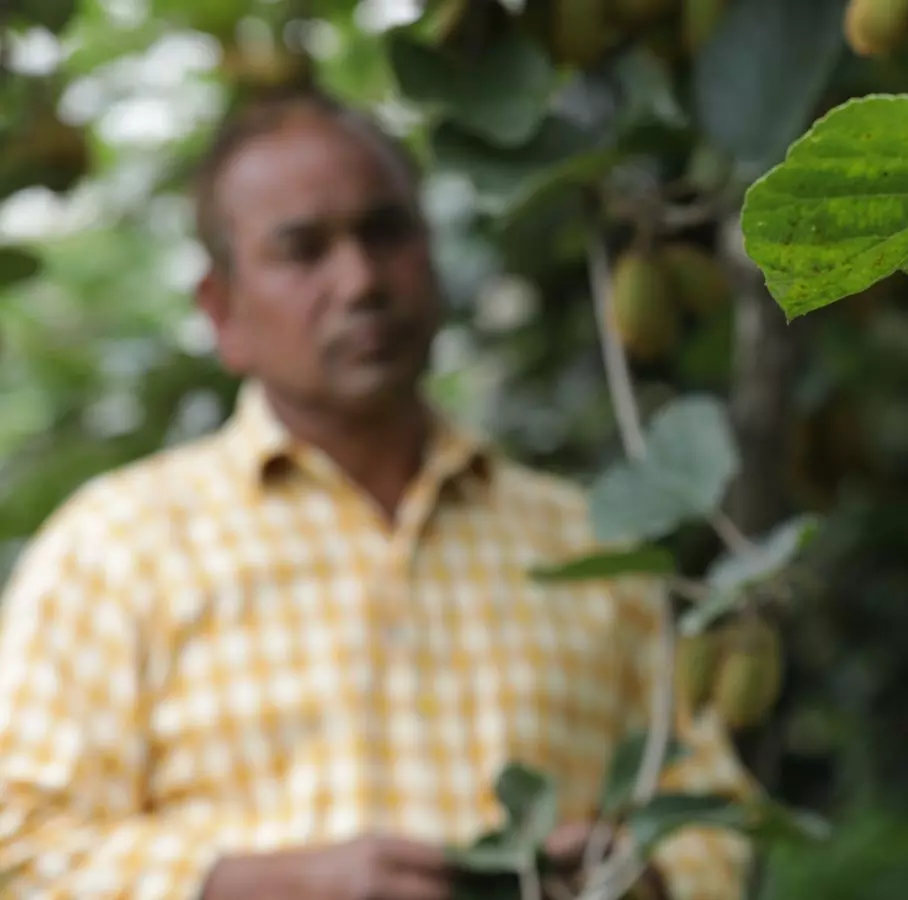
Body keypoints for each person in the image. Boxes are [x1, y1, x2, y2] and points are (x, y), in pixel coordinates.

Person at [0, 87, 755, 900]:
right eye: (302, 250)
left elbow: (719, 827)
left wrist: (642, 879)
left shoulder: (592, 541)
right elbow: (20, 846)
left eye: (385, 232)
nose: (360, 280)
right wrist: (266, 886)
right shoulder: (115, 550)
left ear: (431, 255)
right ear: (222, 314)